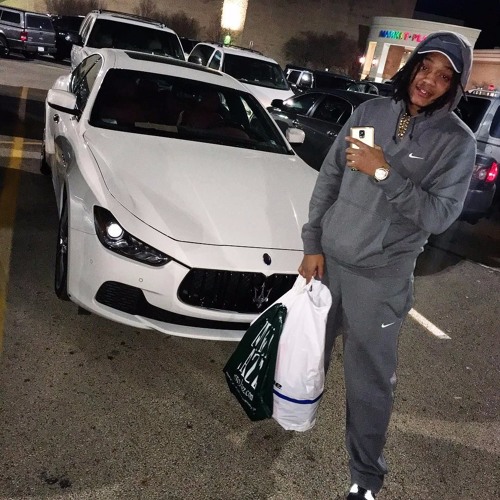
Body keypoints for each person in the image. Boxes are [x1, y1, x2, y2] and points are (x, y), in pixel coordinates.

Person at [298, 31, 476, 499]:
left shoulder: (457, 143)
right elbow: (331, 177)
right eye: (425, 67)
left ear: (455, 87)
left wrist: (383, 171)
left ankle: (365, 478)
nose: (429, 81)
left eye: (444, 76)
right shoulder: (370, 112)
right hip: (329, 262)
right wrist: (312, 242)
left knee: (369, 385)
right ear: (411, 66)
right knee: (304, 353)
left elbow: (438, 216)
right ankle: (291, 414)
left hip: (380, 281)